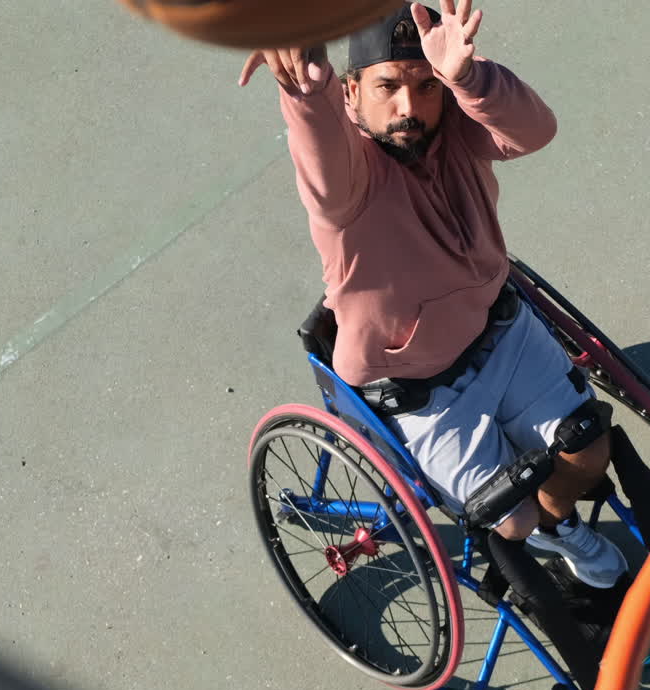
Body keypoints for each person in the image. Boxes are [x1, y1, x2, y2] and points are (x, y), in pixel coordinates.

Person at [239, 0, 628, 588]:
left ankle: (558, 522)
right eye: (387, 87)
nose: (409, 108)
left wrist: (467, 78)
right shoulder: (349, 188)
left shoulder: (457, 134)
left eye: (425, 87)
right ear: (352, 94)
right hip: (421, 395)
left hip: (504, 336)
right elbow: (320, 169)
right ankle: (549, 528)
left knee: (589, 454)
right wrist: (306, 90)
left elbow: (536, 131)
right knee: (514, 521)